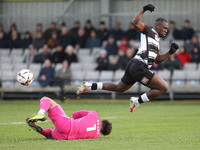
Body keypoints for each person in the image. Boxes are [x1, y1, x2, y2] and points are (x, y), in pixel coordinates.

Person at [77, 4, 179, 112]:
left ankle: (89, 86)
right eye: (164, 28)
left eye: (167, 29)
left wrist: (170, 52)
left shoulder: (157, 41)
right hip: (140, 66)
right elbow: (135, 22)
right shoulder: (149, 30)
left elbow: (157, 60)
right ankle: (137, 101)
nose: (166, 30)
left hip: (134, 65)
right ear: (157, 26)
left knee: (118, 88)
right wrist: (144, 9)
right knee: (163, 88)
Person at [26, 96, 112, 140]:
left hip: (68, 124)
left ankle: (41, 113)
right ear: (102, 133)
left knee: (46, 99)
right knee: (52, 133)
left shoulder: (95, 115)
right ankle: (42, 131)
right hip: (66, 137)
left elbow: (75, 114)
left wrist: (71, 120)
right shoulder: (95, 136)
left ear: (102, 121)